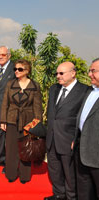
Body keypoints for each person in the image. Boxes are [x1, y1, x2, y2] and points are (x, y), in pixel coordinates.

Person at [45, 62, 89, 200]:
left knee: (70, 173)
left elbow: (84, 118)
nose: (58, 76)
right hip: (52, 137)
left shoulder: (84, 91)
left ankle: (71, 197)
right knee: (54, 169)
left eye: (61, 73)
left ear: (73, 73)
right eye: (57, 73)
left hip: (69, 139)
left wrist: (76, 138)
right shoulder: (54, 89)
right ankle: (59, 194)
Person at [0, 59, 42, 183]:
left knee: (26, 148)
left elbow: (37, 107)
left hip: (28, 121)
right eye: (15, 69)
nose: (16, 71)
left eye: (20, 69)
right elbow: (5, 104)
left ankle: (25, 176)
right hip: (12, 119)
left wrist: (36, 124)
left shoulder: (35, 86)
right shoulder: (10, 84)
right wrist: (3, 121)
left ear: (27, 71)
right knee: (11, 149)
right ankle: (11, 174)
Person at [73, 58, 99, 200]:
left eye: (93, 71)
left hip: (96, 155)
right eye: (90, 70)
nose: (89, 74)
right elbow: (81, 118)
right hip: (82, 151)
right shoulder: (90, 91)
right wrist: (75, 139)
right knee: (83, 191)